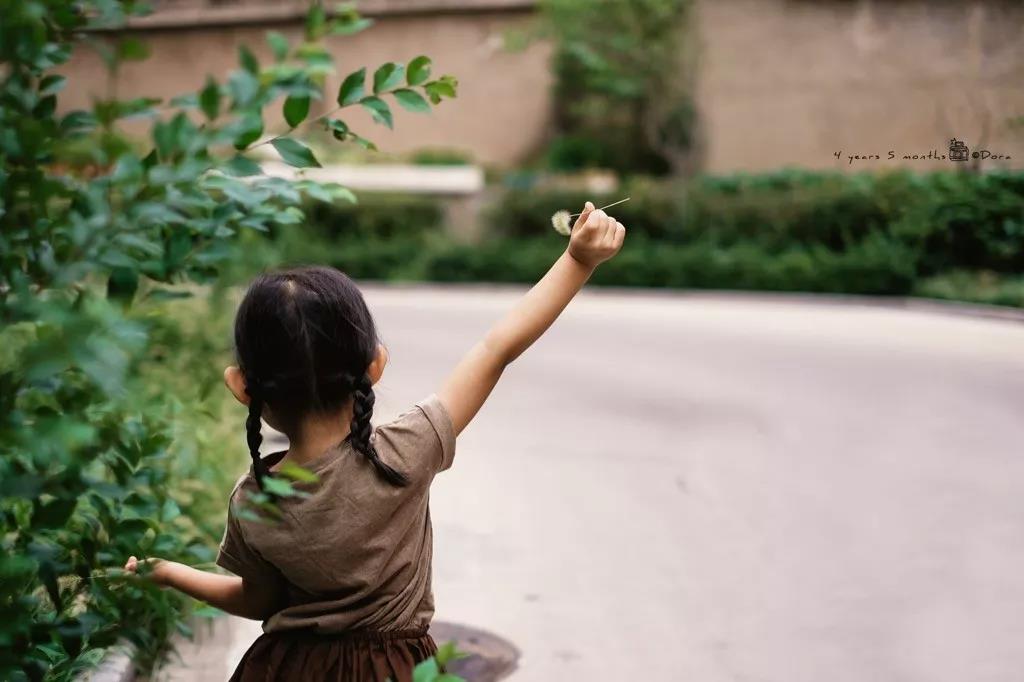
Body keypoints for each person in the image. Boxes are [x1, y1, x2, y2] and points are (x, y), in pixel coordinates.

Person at [124, 202, 625, 680]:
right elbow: (497, 349)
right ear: (375, 365)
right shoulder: (405, 451)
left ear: (241, 386)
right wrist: (577, 259)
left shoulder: (255, 501)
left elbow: (258, 603)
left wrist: (169, 572)